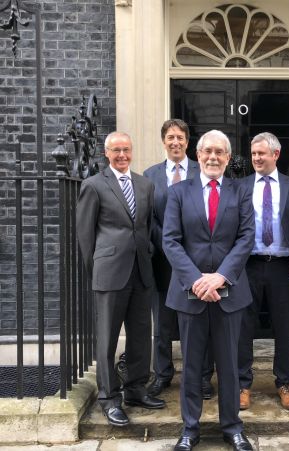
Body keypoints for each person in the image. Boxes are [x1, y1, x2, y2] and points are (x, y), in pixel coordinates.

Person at [163, 130, 255, 451]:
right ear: (197, 155)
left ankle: (232, 427)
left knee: (229, 364)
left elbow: (246, 238)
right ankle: (190, 428)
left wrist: (220, 277)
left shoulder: (240, 191)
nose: (213, 157)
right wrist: (197, 280)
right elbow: (171, 240)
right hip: (190, 293)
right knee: (190, 366)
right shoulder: (178, 192)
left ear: (228, 158)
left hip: (230, 292)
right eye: (207, 152)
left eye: (220, 152)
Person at [76, 132, 165, 427]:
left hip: (141, 271)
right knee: (107, 339)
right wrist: (97, 269)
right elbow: (85, 236)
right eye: (116, 150)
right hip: (110, 273)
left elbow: (150, 226)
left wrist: (150, 250)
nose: (122, 155)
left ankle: (136, 390)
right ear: (106, 153)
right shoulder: (93, 185)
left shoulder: (145, 184)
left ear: (132, 151)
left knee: (141, 335)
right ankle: (109, 398)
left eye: (126, 149)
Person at [237, 132, 289, 411]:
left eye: (262, 154)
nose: (256, 158)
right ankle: (242, 385)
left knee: (284, 327)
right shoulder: (240, 186)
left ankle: (284, 383)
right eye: (253, 154)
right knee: (243, 327)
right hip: (248, 266)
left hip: (283, 267)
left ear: (275, 155)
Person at [143, 119, 214, 399]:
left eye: (180, 138)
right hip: (163, 260)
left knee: (200, 321)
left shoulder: (202, 170)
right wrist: (169, 245)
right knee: (162, 323)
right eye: (170, 137)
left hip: (198, 261)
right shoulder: (150, 176)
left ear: (188, 142)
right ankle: (162, 375)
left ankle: (203, 377)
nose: (175, 142)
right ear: (163, 141)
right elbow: (147, 219)